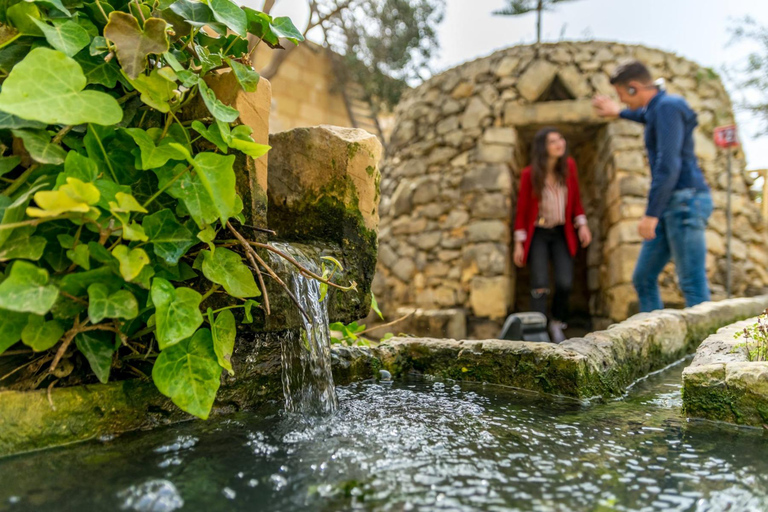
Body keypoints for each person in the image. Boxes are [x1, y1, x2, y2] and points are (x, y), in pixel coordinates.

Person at [592, 60, 712, 313]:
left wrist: (651, 214)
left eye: (622, 95)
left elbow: (668, 165)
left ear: (635, 88)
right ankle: (653, 342)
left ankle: (710, 350)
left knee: (691, 280)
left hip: (685, 201)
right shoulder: (659, 109)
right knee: (643, 278)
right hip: (673, 202)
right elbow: (643, 115)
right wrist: (618, 112)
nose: (623, 101)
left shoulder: (668, 107)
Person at [513, 127, 592, 343]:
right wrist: (519, 243)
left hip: (561, 232)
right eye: (553, 141)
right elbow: (521, 210)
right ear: (542, 148)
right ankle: (537, 332)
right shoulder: (530, 174)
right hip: (538, 232)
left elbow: (575, 200)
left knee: (565, 282)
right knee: (539, 284)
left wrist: (582, 225)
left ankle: (557, 323)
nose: (560, 143)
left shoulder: (569, 168)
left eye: (561, 139)